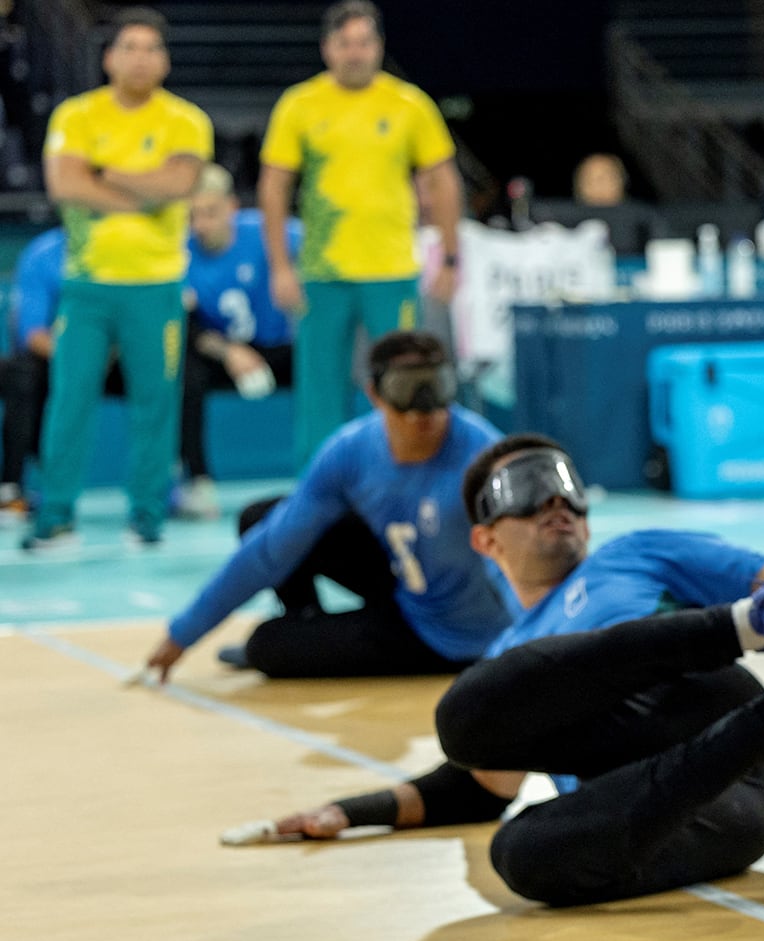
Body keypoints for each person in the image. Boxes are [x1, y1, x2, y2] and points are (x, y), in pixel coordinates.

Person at [222, 434, 764, 909]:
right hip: (680, 809)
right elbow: (471, 791)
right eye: (528, 494)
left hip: (711, 725)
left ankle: (755, 623)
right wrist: (346, 813)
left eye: (566, 489)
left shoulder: (640, 553)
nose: (557, 505)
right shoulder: (512, 659)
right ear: (485, 537)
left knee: (475, 709)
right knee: (516, 854)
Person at [143, 330, 509, 681]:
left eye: (436, 385)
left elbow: (521, 566)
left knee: (266, 646)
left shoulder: (483, 459)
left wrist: (520, 654)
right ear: (375, 395)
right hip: (405, 578)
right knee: (264, 519)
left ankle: (310, 638)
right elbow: (270, 551)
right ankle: (309, 622)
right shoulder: (353, 449)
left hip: (452, 635)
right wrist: (183, 632)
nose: (423, 407)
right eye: (405, 388)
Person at [27, 7, 210, 550]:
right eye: (128, 47)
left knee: (156, 404)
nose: (139, 58)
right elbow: (65, 185)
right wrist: (141, 192)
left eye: (150, 48)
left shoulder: (185, 121)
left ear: (165, 61)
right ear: (109, 57)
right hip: (85, 285)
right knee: (69, 399)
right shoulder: (76, 115)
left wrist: (103, 173)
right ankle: (54, 515)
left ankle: (148, 515)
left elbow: (179, 184)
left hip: (157, 287)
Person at [259, 0, 463, 467]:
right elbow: (274, 186)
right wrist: (279, 266)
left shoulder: (409, 104)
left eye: (365, 42)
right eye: (345, 43)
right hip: (321, 272)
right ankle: (320, 488)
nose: (355, 53)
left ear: (380, 47)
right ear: (327, 48)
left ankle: (410, 475)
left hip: (391, 270)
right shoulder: (300, 104)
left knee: (406, 382)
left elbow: (443, 180)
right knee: (319, 391)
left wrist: (451, 258)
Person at [177, 163, 303, 519]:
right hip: (221, 352)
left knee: (322, 366)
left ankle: (323, 477)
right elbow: (185, 325)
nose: (200, 225)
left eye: (210, 213)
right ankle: (197, 483)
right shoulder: (180, 253)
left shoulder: (273, 234)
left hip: (281, 347)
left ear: (232, 206)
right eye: (192, 215)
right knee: (184, 371)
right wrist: (230, 352)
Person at [1, 227, 63, 520]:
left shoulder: (124, 254)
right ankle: (10, 491)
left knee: (176, 373)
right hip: (57, 358)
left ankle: (177, 485)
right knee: (22, 374)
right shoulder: (43, 254)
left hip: (116, 358)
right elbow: (32, 334)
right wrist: (79, 360)